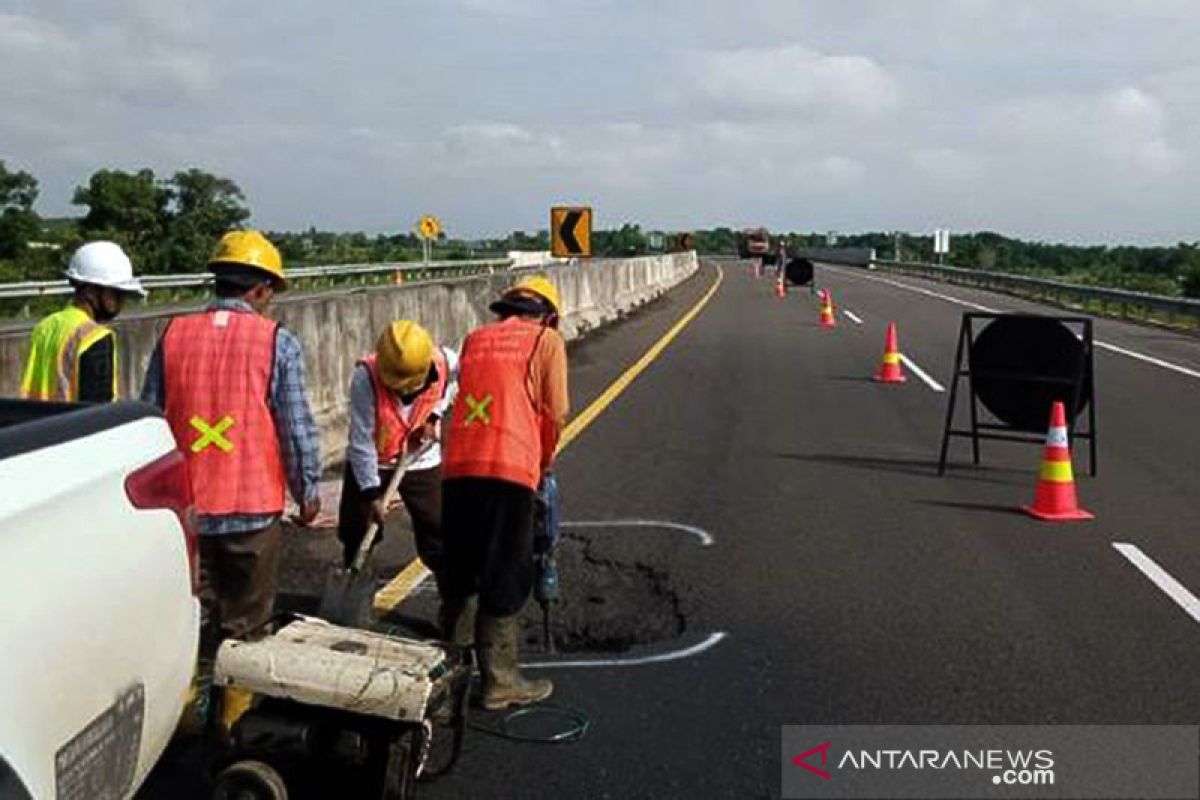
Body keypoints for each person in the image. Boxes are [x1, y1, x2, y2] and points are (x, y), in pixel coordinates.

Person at [141, 230, 322, 730]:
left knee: (189, 625)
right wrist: (307, 493)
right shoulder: (275, 341)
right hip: (251, 510)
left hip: (183, 516)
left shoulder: (172, 334)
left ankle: (178, 728)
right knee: (245, 629)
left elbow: (149, 420)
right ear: (261, 289)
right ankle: (231, 731)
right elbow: (296, 428)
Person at [441, 275, 569, 710]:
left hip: (458, 467)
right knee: (504, 569)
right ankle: (500, 681)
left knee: (461, 572)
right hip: (510, 465)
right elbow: (555, 411)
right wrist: (543, 462)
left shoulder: (475, 338)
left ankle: (445, 683)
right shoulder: (545, 342)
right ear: (548, 317)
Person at [338, 320, 459, 596]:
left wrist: (434, 416)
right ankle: (354, 592)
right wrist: (371, 494)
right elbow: (361, 441)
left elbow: (452, 385)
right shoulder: (365, 377)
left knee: (438, 527)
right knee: (358, 531)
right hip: (374, 462)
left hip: (420, 459)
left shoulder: (446, 361)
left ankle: (454, 605)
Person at [21, 241, 145, 402]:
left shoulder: (44, 328)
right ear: (91, 291)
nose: (121, 301)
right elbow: (98, 408)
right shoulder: (95, 337)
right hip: (74, 427)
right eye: (116, 293)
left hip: (39, 425)